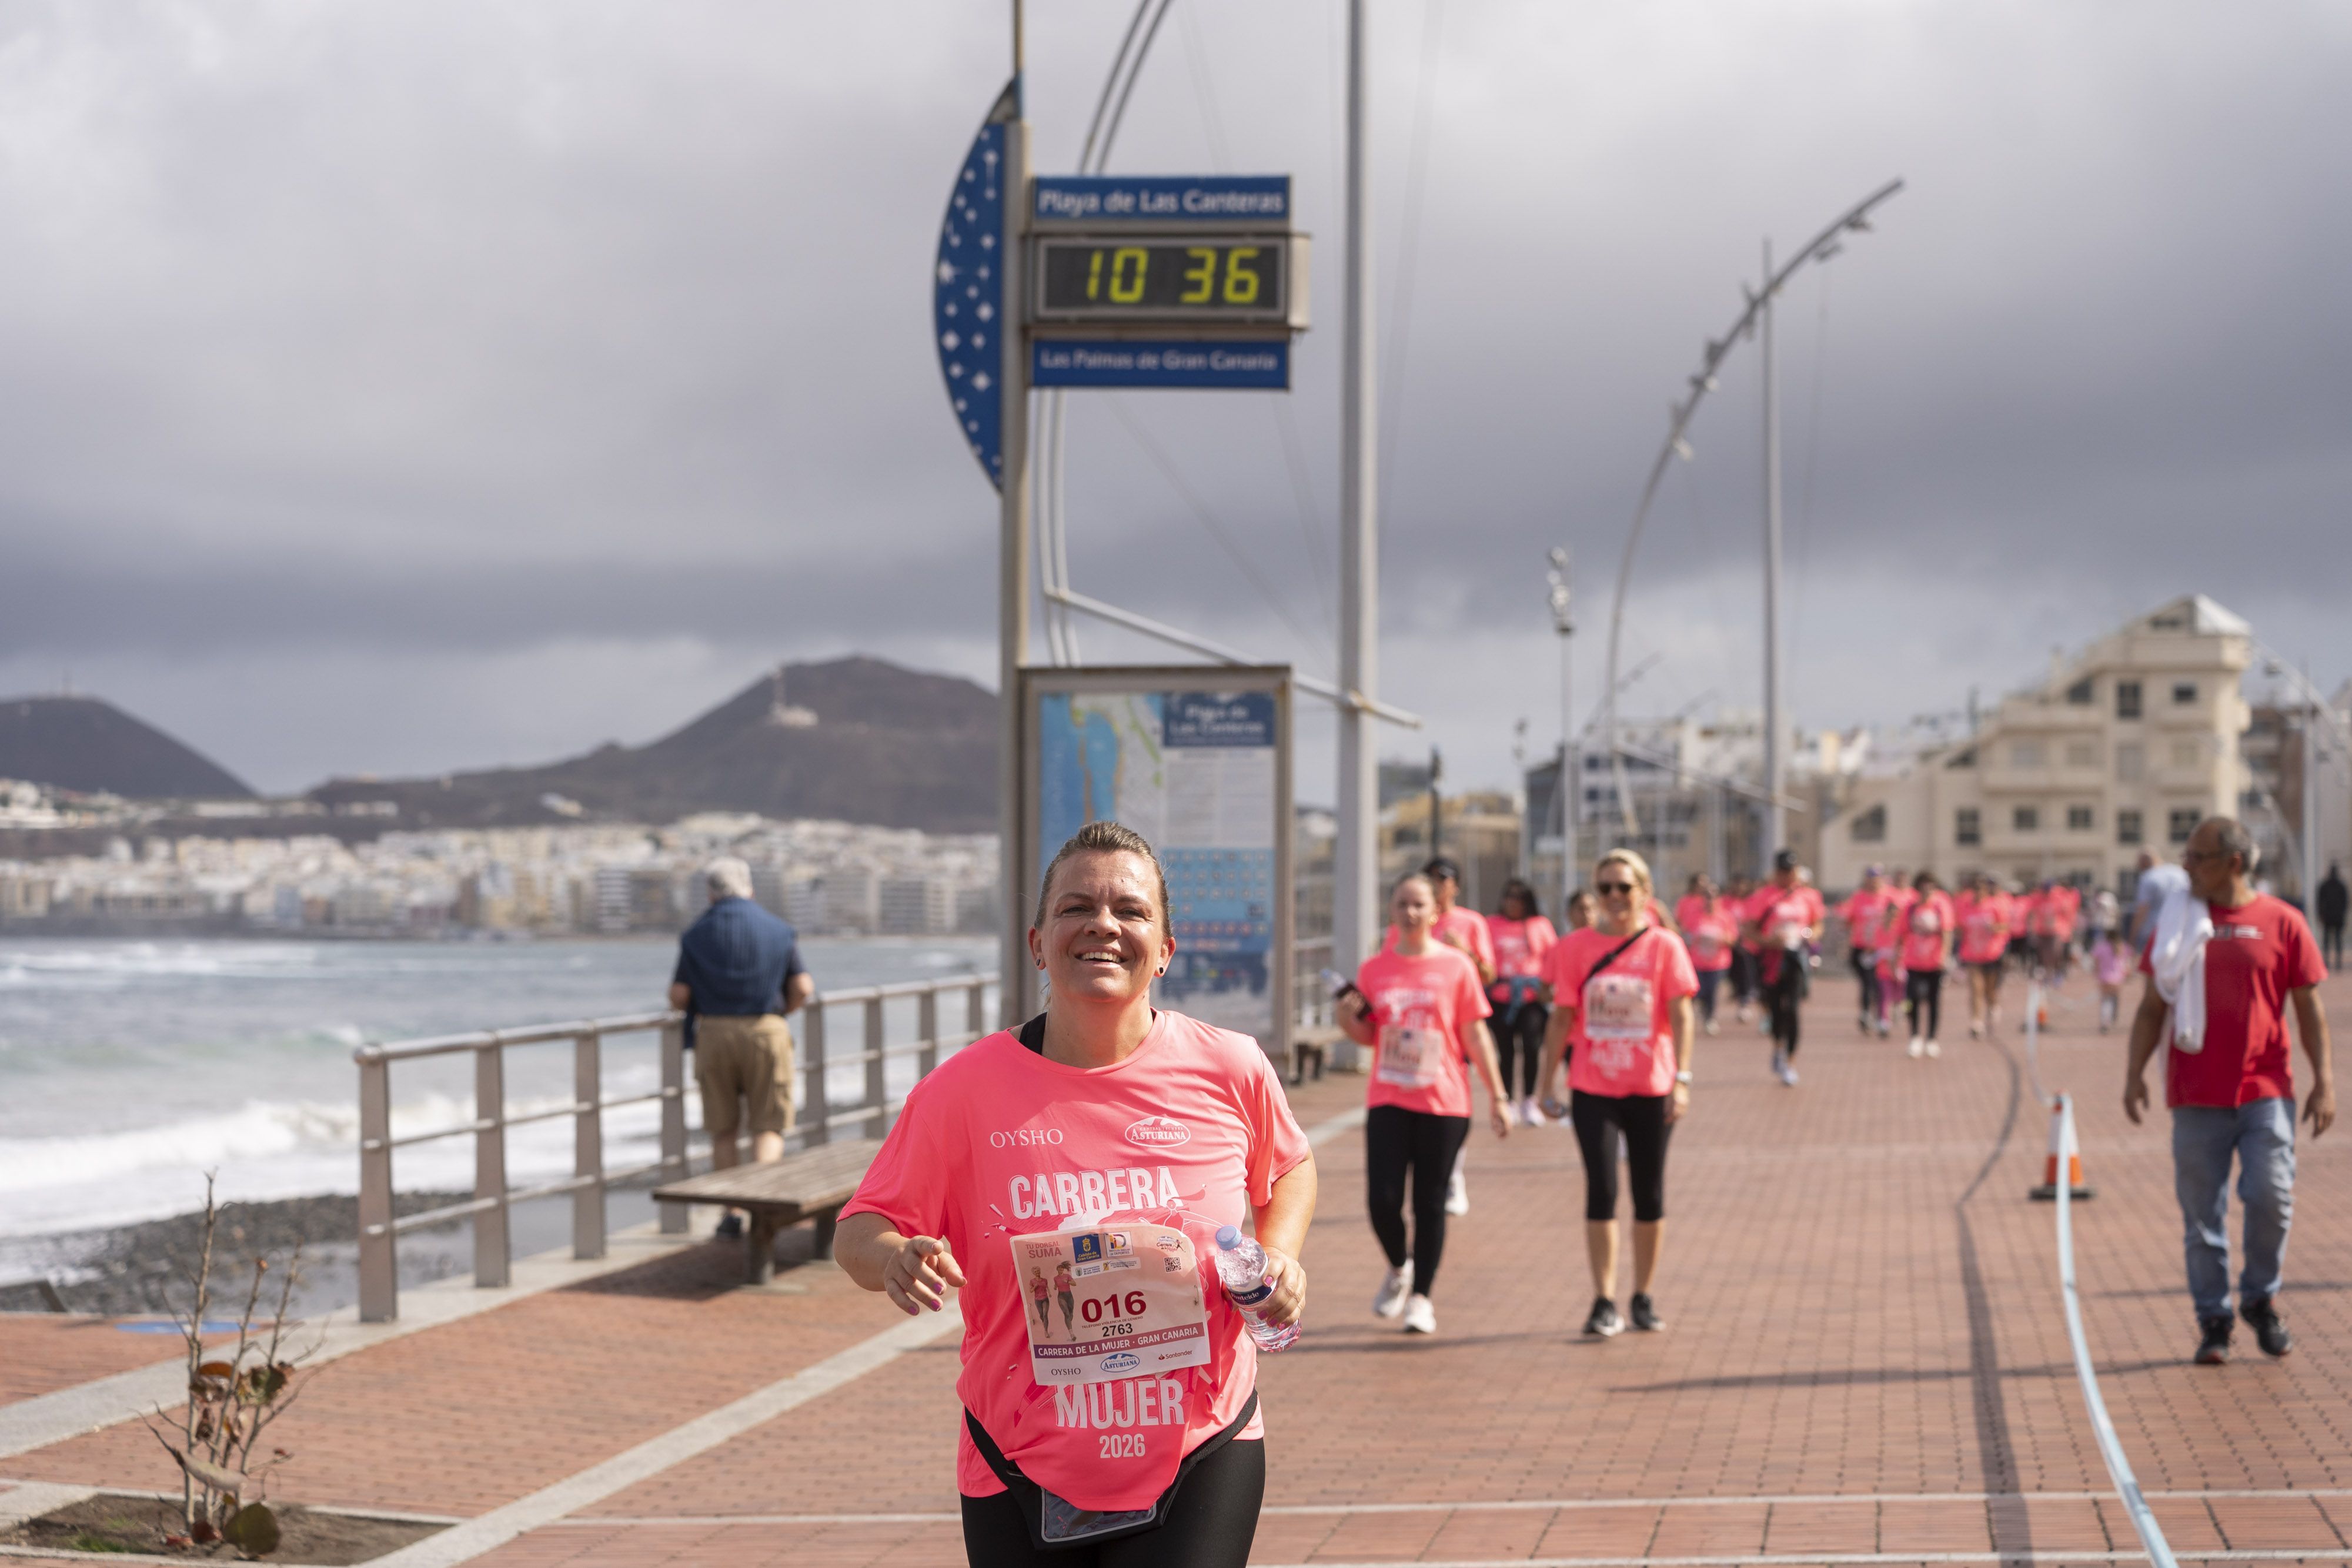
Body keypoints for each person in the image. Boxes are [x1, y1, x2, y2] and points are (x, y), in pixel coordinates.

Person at [835, 820, 1316, 1566]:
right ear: (1037, 943)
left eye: (1130, 910)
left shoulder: (1230, 1068)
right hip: (1017, 1459)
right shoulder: (961, 1093)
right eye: (1075, 908)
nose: (1103, 924)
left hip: (1199, 1444)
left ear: (1164, 951)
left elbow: (1288, 1166)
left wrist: (1281, 1256)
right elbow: (861, 1228)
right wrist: (897, 1256)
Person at [2123, 816, 2334, 1367]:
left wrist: (2325, 1083)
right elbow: (2151, 1009)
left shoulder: (2283, 921)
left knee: (2272, 1196)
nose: (2186, 866)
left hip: (2267, 1088)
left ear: (2233, 862)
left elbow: (2310, 1011)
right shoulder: (2178, 923)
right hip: (2196, 1093)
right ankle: (2213, 1319)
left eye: (2197, 856)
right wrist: (2133, 1074)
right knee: (2202, 1216)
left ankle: (2260, 1296)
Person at [1339, 874, 1511, 1337]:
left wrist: (1497, 1095)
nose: (1411, 913)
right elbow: (1369, 1034)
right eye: (1402, 904)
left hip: (1445, 1101)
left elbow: (1475, 1033)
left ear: (1436, 912)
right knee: (1383, 1200)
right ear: (1392, 911)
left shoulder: (1457, 966)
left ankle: (1422, 1298)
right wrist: (1346, 1019)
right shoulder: (1376, 968)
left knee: (1430, 1203)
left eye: (1420, 905)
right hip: (1389, 1098)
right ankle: (1399, 1267)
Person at [1536, 847, 1697, 1337]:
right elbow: (1562, 1017)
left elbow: (1681, 1014)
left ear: (1644, 891)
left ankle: (1643, 1295)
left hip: (1652, 1085)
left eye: (1623, 887)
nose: (1614, 897)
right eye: (1604, 887)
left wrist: (1682, 1079)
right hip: (1593, 1085)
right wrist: (1546, 1083)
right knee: (1602, 1188)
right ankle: (1604, 1299)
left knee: (1649, 1191)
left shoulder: (1665, 946)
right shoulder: (1573, 948)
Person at [669, 856, 813, 1240]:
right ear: (749, 887)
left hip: (714, 1032)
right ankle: (761, 1209)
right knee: (768, 1124)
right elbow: (802, 988)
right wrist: (782, 1014)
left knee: (723, 1129)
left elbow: (679, 994)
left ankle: (730, 1212)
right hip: (767, 1029)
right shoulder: (778, 930)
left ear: (711, 892)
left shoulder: (696, 934)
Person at [1741, 851, 1825, 1085]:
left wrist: (1808, 936)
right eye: (1783, 871)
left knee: (1794, 1009)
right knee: (1776, 1010)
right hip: (1770, 961)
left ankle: (1790, 1061)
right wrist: (1770, 941)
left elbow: (1817, 926)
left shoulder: (1808, 896)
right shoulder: (1763, 896)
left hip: (1796, 958)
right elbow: (1748, 930)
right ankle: (1778, 1045)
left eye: (1792, 871)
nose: (1788, 876)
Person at [1487, 878, 1558, 1126]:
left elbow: (1553, 958)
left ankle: (1530, 1100)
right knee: (1504, 1052)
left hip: (1531, 998)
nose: (1512, 903)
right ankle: (1508, 1100)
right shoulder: (1492, 925)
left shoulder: (1540, 925)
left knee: (1531, 1047)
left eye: (1518, 898)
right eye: (1508, 897)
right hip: (1501, 998)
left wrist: (1547, 987)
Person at [1899, 871, 1956, 1059]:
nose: (1926, 891)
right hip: (1913, 960)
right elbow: (1902, 934)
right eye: (1923, 887)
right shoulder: (1910, 907)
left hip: (1934, 961)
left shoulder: (1941, 905)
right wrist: (1895, 958)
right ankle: (1914, 1035)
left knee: (1934, 1000)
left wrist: (1944, 956)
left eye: (1930, 887)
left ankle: (1932, 1039)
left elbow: (1947, 932)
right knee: (1911, 999)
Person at [1675, 875, 1736, 1037]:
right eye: (1707, 896)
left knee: (1712, 991)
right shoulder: (1694, 915)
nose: (1710, 900)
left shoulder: (1725, 917)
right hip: (1697, 961)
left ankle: (1710, 1018)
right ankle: (1700, 1012)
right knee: (1697, 991)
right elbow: (1684, 934)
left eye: (1713, 896)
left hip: (1718, 962)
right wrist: (1695, 938)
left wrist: (1720, 939)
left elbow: (1733, 939)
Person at [1956, 872, 2015, 1041]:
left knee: (1990, 990)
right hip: (1973, 954)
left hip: (1992, 953)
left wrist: (1994, 928)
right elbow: (1960, 929)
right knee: (1976, 988)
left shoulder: (1995, 906)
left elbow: (2005, 927)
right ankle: (1976, 1021)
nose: (1978, 893)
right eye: (1975, 889)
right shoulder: (1966, 907)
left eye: (1981, 889)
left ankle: (1993, 1005)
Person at [1836, 868, 1894, 1037]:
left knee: (1878, 983)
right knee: (1866, 982)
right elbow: (1848, 920)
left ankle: (1880, 1015)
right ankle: (1867, 1012)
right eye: (1870, 879)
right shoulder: (1858, 897)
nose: (1873, 882)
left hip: (1881, 949)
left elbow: (1897, 919)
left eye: (1876, 879)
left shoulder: (1889, 897)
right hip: (1861, 947)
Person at [2129, 849, 2189, 951]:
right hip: (2180, 930)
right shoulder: (2179, 872)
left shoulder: (2148, 878)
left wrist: (2133, 936)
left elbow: (2142, 910)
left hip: (2153, 934)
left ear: (2143, 864)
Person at [1724, 874, 1761, 1023]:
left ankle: (1744, 1003)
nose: (1739, 888)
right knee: (1732, 975)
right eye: (1736, 884)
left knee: (1746, 974)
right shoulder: (1725, 902)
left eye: (1742, 885)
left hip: (1747, 946)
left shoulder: (1751, 902)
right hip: (1728, 944)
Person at [2092, 927, 2130, 1033]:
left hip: (2104, 978)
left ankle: (2105, 1021)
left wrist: (2096, 973)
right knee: (2114, 999)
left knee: (2105, 1001)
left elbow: (2096, 963)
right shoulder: (2122, 947)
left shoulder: (2101, 947)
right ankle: (2112, 1017)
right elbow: (2126, 963)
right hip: (2117, 979)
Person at [2320, 864, 2348, 971]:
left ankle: (2327, 962)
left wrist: (2321, 914)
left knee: (2327, 941)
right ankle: (2338, 963)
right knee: (2338, 941)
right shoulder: (2341, 885)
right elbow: (2346, 902)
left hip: (2328, 917)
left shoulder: (2325, 885)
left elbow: (2320, 901)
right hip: (2338, 917)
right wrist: (2343, 914)